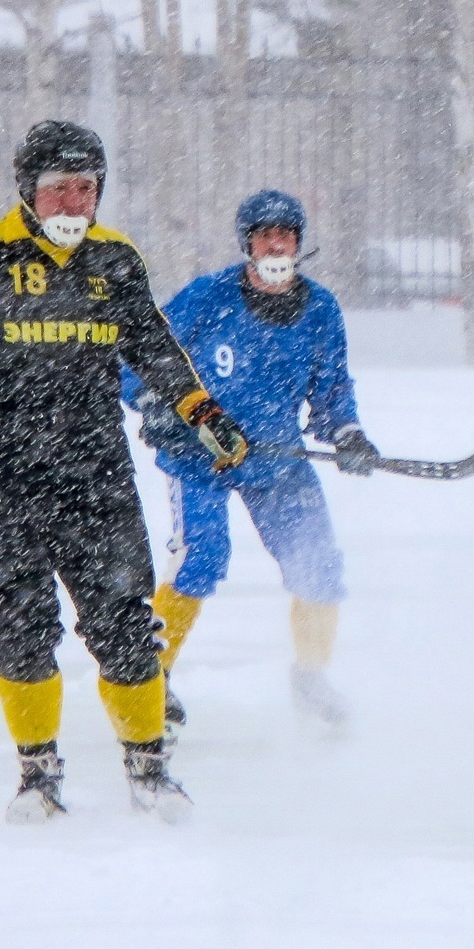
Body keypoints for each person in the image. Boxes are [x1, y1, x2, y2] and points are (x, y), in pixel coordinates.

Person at [0, 120, 250, 824]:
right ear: (28, 191)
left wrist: (201, 410)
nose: (72, 204)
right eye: (59, 189)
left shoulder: (115, 260)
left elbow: (154, 343)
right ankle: (37, 775)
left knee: (123, 620)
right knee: (22, 621)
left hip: (95, 472)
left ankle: (149, 766)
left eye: (85, 189)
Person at [129, 189, 382, 732]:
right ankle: (153, 674)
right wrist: (159, 408)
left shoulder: (321, 310)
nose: (276, 243)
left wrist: (349, 433)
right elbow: (141, 356)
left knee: (318, 566)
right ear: (248, 243)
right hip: (200, 457)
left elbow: (332, 390)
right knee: (203, 557)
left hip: (276, 461)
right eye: (265, 234)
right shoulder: (207, 296)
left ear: (299, 244)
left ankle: (311, 677)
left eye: (286, 234)